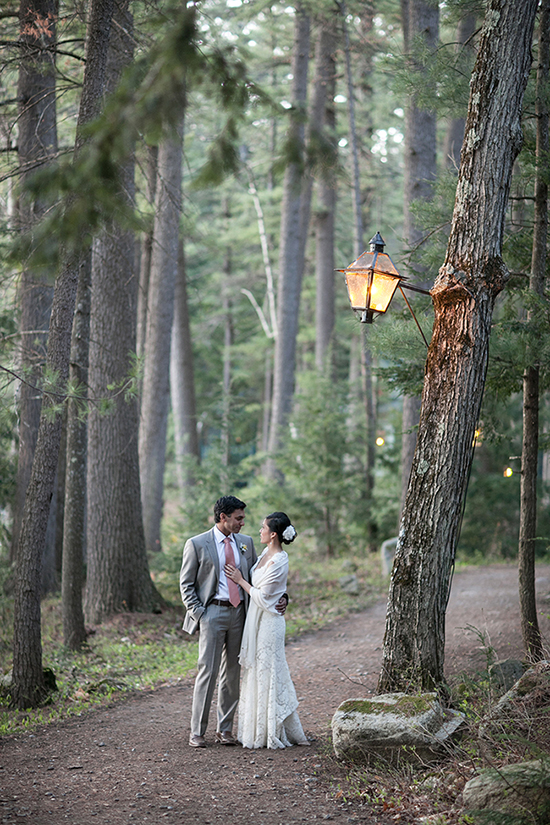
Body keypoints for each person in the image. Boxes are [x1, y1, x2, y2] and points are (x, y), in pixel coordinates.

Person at [180, 495, 286, 748]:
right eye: (238, 518)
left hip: (241, 615)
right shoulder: (196, 544)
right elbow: (186, 585)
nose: (243, 523)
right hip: (212, 614)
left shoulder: (247, 543)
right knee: (208, 671)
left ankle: (225, 730)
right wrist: (200, 613)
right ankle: (197, 732)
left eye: (243, 518)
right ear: (223, 517)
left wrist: (284, 597)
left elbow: (262, 578)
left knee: (233, 673)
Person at [225, 511, 309, 749]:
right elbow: (273, 590)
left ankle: (272, 728)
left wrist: (241, 580)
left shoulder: (280, 560)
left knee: (270, 670)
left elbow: (263, 596)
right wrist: (281, 595)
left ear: (273, 534)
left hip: (270, 623)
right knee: (257, 671)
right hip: (257, 620)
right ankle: (256, 727)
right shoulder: (264, 553)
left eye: (263, 528)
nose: (259, 530)